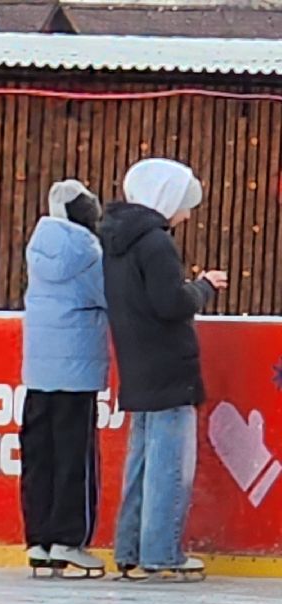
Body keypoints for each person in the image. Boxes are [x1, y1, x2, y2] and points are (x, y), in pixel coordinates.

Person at [100, 158, 227, 581]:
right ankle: (161, 552)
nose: (187, 215)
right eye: (184, 204)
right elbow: (171, 303)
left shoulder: (118, 241)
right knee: (170, 464)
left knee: (142, 461)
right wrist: (204, 286)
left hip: (138, 364)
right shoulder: (155, 243)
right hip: (169, 367)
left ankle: (131, 548)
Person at [19, 179, 110, 578]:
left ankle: (38, 539)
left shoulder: (39, 248)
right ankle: (69, 539)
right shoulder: (89, 252)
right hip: (76, 368)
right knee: (76, 456)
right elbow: (110, 295)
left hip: (39, 369)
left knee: (40, 455)